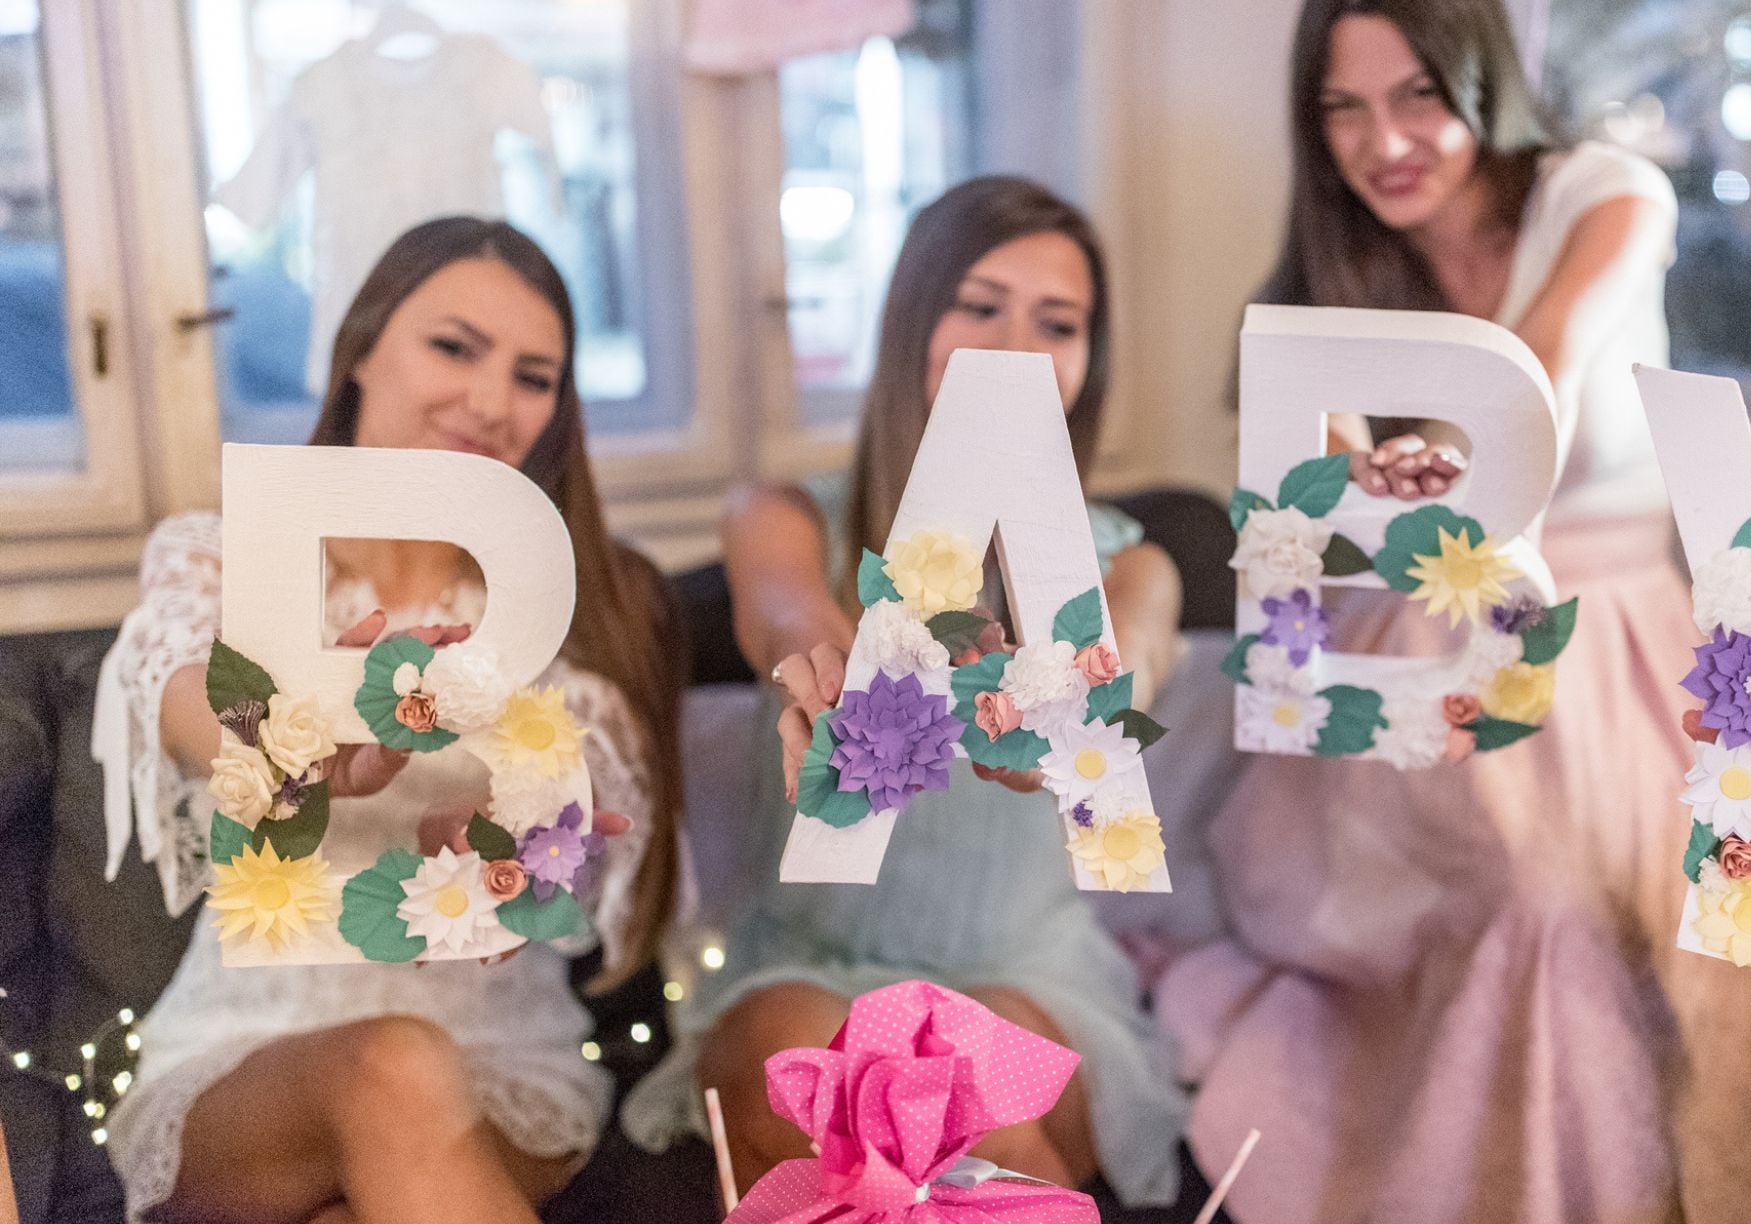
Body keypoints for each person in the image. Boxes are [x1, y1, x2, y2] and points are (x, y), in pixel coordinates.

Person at [1155, 1, 1751, 1221]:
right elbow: (1308, 551)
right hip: (1428, 642)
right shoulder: (1324, 284)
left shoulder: (1606, 193)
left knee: (1642, 921)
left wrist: (1418, 456)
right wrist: (1337, 500)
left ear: (1481, 78)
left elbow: (1538, 361)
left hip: (1614, 637)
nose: (1382, 140)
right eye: (1343, 107)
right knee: (1510, 898)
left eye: (1416, 94)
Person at [94, 217, 686, 1224]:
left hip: (502, 1061)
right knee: (389, 1066)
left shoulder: (585, 611)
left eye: (535, 376)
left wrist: (513, 849)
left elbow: (593, 855)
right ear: (360, 348)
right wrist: (290, 744)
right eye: (454, 347)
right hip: (240, 1053)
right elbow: (186, 694)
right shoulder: (224, 559)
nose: (492, 401)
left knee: (389, 1111)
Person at [623, 175, 1187, 1207]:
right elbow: (786, 617)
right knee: (820, 1083)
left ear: (1086, 362)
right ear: (911, 320)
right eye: (979, 306)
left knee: (980, 1098)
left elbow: (1123, 679)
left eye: (1055, 323)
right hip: (796, 966)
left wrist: (1067, 724)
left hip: (1026, 973)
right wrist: (832, 677)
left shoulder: (1128, 567)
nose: (1015, 344)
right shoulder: (785, 515)